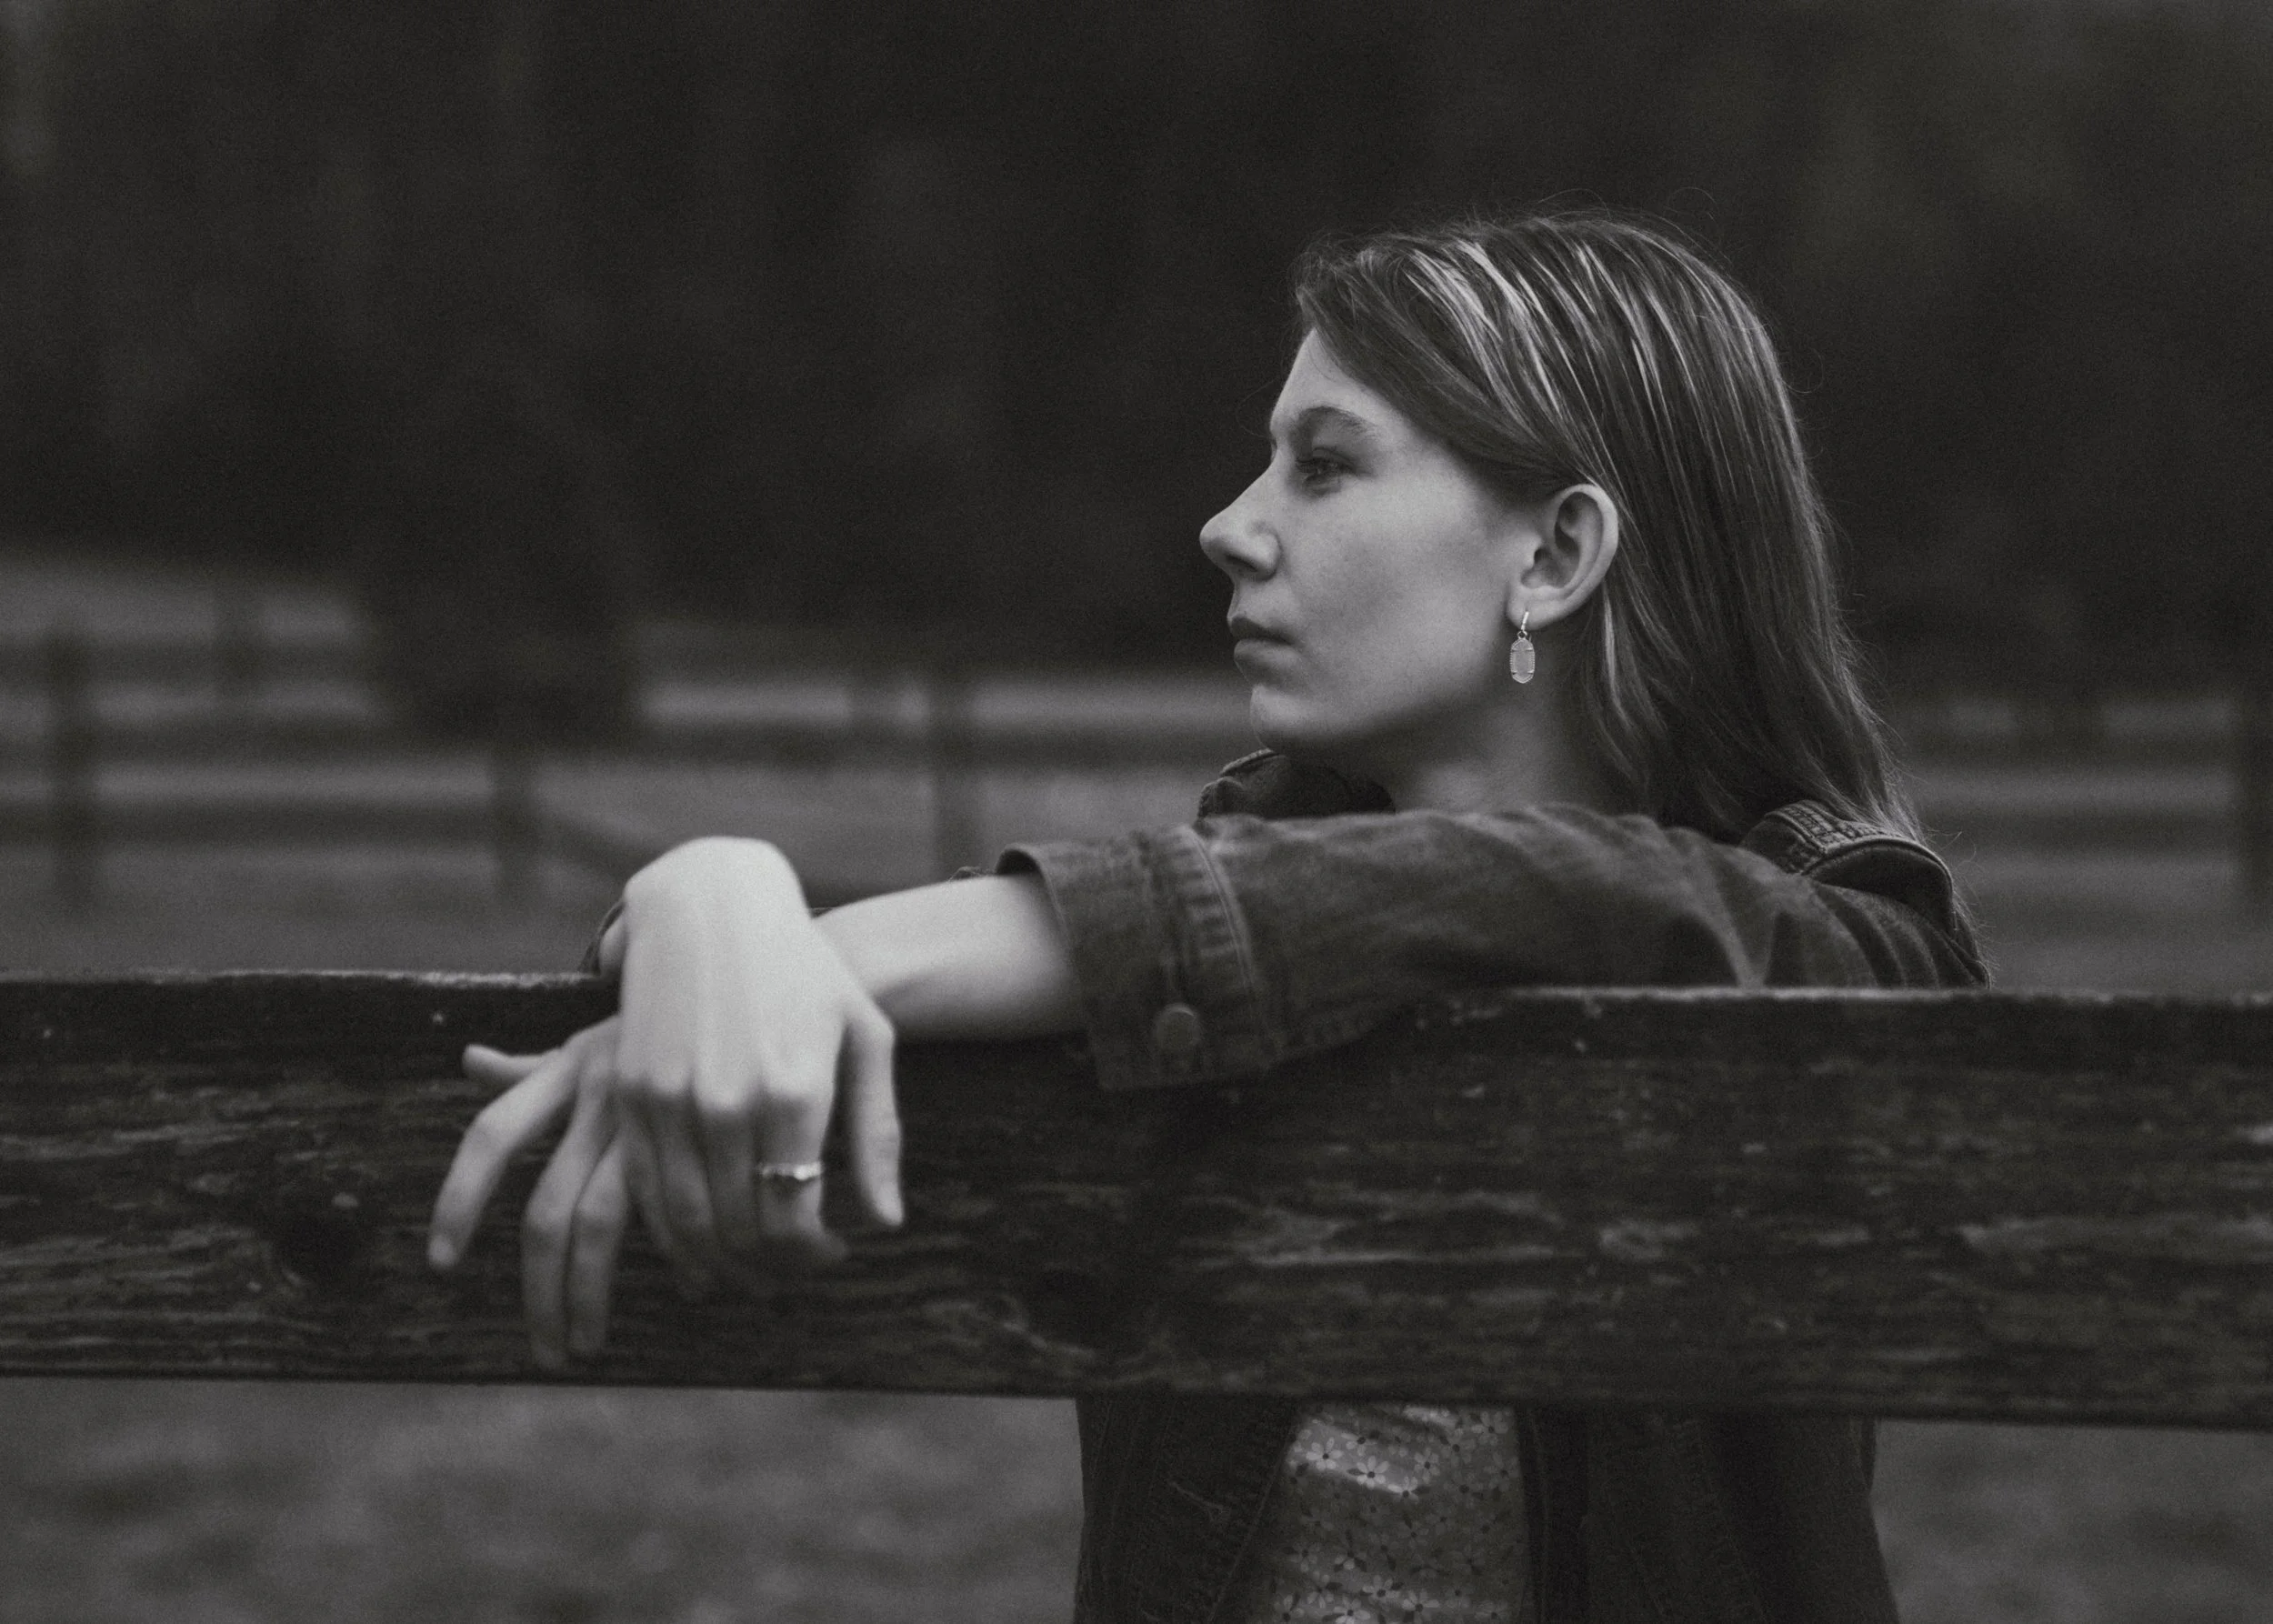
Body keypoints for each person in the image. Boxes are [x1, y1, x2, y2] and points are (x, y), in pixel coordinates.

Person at [427, 209, 1984, 1624]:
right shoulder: (1247, 888)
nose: (1228, 527)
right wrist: (712, 890)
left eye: (1323, 463)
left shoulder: (1847, 939)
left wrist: (836, 950)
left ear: (1558, 554)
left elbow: (1582, 899)